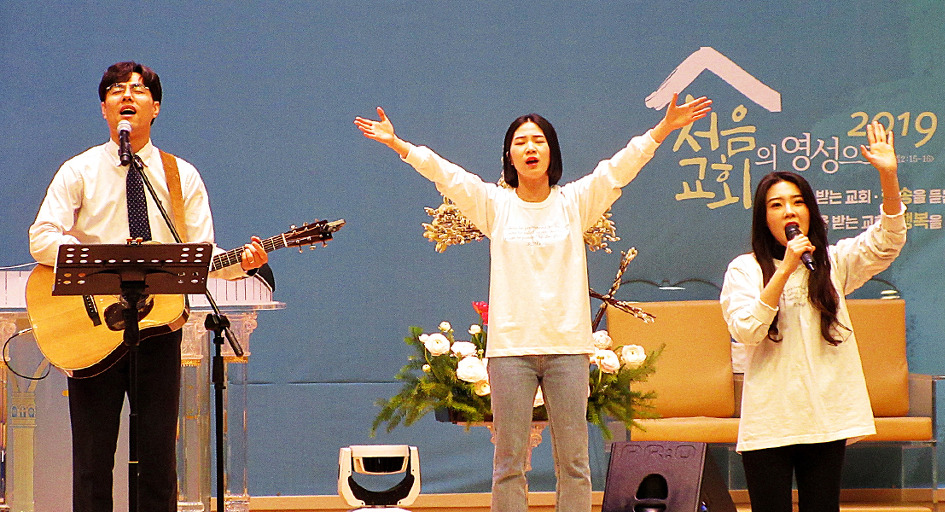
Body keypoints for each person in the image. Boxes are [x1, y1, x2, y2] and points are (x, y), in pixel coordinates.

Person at [355, 94, 712, 512]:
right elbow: (446, 175)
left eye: (539, 140)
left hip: (568, 351)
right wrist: (398, 144)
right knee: (508, 464)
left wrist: (663, 128)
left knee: (574, 464)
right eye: (521, 141)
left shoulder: (576, 202)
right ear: (509, 155)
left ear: (552, 152)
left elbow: (620, 168)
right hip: (511, 352)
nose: (530, 148)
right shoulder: (495, 205)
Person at [28, 61, 268, 512]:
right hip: (92, 330)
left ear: (155, 108)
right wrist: (95, 262)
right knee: (92, 463)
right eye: (116, 89)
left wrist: (241, 264)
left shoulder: (181, 175)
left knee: (158, 462)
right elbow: (41, 237)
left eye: (138, 90)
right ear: (104, 108)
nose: (127, 95)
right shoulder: (79, 170)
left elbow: (200, 253)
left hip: (159, 331)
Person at [719, 121, 905, 512]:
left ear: (810, 211)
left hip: (826, 418)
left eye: (798, 202)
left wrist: (888, 177)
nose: (789, 210)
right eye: (776, 204)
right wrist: (784, 269)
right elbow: (747, 330)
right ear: (763, 218)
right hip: (770, 421)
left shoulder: (834, 262)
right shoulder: (744, 269)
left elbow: (887, 241)